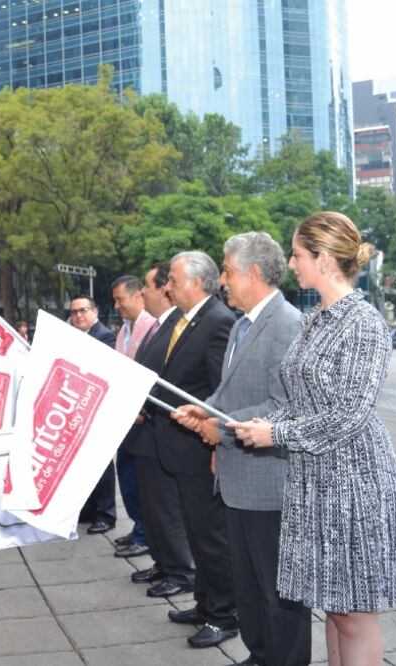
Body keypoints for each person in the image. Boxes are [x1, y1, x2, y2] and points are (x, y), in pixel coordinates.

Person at [229, 212, 396, 666]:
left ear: (324, 259)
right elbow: (303, 398)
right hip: (316, 478)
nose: (292, 263)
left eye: (297, 254)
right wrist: (261, 423)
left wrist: (275, 432)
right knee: (335, 610)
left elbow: (349, 414)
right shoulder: (318, 317)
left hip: (354, 479)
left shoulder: (362, 321)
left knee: (354, 615)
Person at [172, 232, 311, 666]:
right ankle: (260, 653)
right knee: (249, 585)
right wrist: (202, 410)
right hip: (236, 482)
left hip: (270, 483)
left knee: (277, 590)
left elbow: (286, 406)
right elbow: (228, 392)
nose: (223, 281)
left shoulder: (288, 324)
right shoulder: (240, 323)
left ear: (253, 272)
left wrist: (223, 430)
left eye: (228, 271)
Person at [152, 251, 238, 648]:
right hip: (180, 448)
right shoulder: (185, 320)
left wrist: (214, 433)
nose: (166, 286)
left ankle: (225, 615)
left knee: (211, 537)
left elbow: (223, 390)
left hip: (200, 447)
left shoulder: (219, 322)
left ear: (196, 283)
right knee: (196, 533)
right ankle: (205, 604)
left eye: (172, 279)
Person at [126, 262, 196, 593]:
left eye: (148, 286)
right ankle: (163, 563)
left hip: (161, 434)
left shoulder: (177, 327)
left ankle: (181, 573)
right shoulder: (158, 327)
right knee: (151, 509)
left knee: (167, 510)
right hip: (146, 434)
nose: (143, 292)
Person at [109, 275, 157, 558]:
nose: (116, 305)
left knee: (139, 481)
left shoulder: (151, 328)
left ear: (137, 297)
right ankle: (139, 528)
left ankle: (145, 535)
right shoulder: (124, 330)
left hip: (142, 419)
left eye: (120, 299)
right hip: (125, 417)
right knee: (126, 477)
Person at [68, 295, 117, 534]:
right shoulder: (75, 337)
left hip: (98, 408)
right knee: (83, 463)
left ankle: (106, 514)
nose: (78, 315)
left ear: (94, 311)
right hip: (79, 409)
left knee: (102, 463)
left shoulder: (105, 336)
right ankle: (89, 508)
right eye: (74, 312)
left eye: (83, 310)